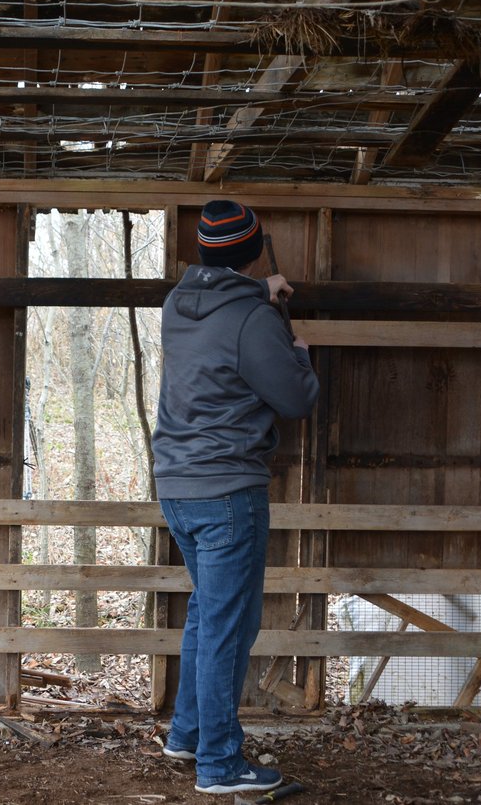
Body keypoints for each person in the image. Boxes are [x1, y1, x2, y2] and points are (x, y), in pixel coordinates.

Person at [151, 200, 320, 795]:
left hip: (176, 486)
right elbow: (296, 399)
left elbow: (225, 303)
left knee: (207, 614)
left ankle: (189, 733)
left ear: (203, 252)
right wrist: (296, 348)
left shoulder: (178, 305)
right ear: (252, 253)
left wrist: (257, 292)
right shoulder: (253, 319)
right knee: (228, 626)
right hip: (228, 490)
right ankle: (220, 766)